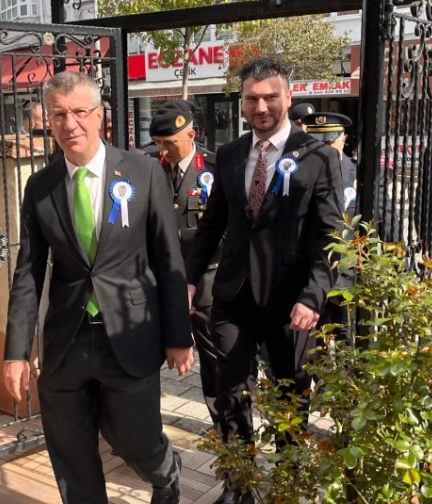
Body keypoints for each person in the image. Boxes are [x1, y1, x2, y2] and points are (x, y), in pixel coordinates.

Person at [3, 71, 193, 504]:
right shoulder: (40, 187)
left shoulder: (143, 172)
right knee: (70, 452)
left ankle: (165, 471)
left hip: (129, 334)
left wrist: (178, 337)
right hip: (67, 340)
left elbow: (169, 261)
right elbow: (28, 274)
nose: (70, 124)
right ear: (47, 121)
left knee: (134, 441)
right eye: (58, 115)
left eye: (80, 112)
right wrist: (16, 351)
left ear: (101, 116)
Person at [185, 57, 344, 504]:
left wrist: (314, 297)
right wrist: (192, 278)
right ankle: (241, 486)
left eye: (270, 97)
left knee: (291, 397)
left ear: (287, 98)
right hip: (234, 296)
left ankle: (288, 487)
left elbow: (330, 235)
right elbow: (213, 223)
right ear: (242, 102)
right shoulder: (232, 153)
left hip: (292, 305)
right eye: (252, 99)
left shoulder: (318, 157)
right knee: (229, 391)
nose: (261, 107)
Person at [150, 99, 222, 429]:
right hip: (162, 283)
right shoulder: (149, 169)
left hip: (207, 284)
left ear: (191, 134)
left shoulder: (216, 169)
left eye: (170, 143)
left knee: (215, 364)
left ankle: (226, 435)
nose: (163, 150)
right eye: (158, 143)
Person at [301, 111, 357, 340]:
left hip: (347, 275)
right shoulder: (298, 173)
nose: (323, 149)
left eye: (329, 142)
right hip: (309, 276)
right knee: (311, 349)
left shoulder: (358, 173)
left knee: (349, 344)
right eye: (317, 143)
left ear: (343, 139)